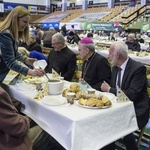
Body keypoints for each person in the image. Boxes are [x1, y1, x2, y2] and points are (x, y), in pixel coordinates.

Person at [101, 42, 150, 150]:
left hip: (136, 109)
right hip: (120, 107)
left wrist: (109, 89)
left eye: (110, 53)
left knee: (111, 124)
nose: (108, 56)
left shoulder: (138, 69)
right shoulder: (115, 68)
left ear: (117, 55)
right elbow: (116, 95)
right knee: (101, 120)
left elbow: (131, 95)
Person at [0, 6, 44, 84]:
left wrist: (26, 60)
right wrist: (30, 72)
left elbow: (14, 53)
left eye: (27, 23)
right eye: (24, 22)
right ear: (15, 19)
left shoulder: (11, 34)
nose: (26, 25)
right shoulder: (5, 34)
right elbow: (10, 61)